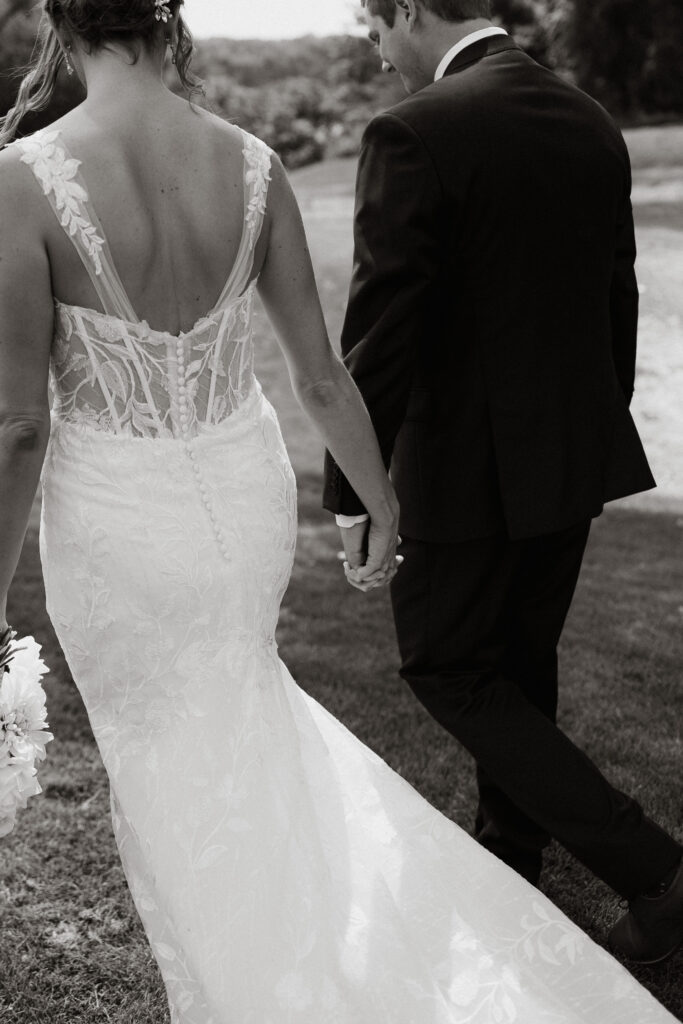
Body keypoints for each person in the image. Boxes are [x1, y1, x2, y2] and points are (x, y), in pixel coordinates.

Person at [0, 1, 677, 1021]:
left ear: (64, 20)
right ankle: (369, 919)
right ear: (167, 19)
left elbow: (17, 427)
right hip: (246, 495)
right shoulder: (253, 160)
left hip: (118, 516)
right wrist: (383, 503)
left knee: (172, 757)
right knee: (254, 712)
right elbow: (320, 377)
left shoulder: (22, 181)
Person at [324, 0, 683, 972]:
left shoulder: (413, 131)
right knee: (517, 668)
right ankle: (506, 857)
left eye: (373, 27)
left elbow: (379, 334)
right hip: (571, 455)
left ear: (405, 12)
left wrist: (355, 491)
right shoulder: (587, 120)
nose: (376, 47)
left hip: (462, 473)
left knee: (446, 668)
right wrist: (594, 434)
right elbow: (620, 290)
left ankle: (654, 873)